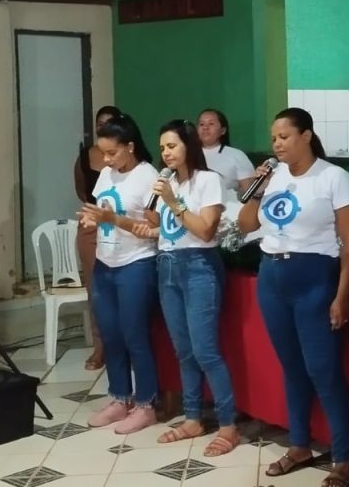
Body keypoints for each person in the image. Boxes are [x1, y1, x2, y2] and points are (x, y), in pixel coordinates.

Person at [237, 107, 349, 487]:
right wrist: (256, 189)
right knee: (291, 366)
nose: (277, 144)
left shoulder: (333, 177)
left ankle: (343, 458)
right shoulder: (272, 177)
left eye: (284, 137)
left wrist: (342, 295)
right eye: (274, 138)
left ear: (306, 136)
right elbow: (246, 225)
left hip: (314, 278)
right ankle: (300, 445)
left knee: (323, 369)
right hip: (272, 276)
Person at [131, 120, 240, 454]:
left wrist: (173, 202)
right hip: (166, 265)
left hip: (198, 267)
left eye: (172, 146)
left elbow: (206, 230)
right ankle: (192, 417)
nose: (166, 153)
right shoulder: (166, 184)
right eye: (162, 147)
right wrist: (152, 211)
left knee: (206, 350)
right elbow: (161, 224)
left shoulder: (208, 181)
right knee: (184, 350)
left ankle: (228, 425)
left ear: (188, 146)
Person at [78, 113, 161, 434]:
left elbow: (154, 228)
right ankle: (119, 397)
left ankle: (145, 404)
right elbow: (98, 210)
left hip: (136, 263)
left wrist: (110, 219)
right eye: (103, 153)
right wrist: (91, 221)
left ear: (130, 146)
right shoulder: (107, 175)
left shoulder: (148, 177)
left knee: (134, 336)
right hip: (106, 262)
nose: (107, 160)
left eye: (112, 153)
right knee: (111, 335)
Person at [72, 105, 120, 370]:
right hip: (91, 227)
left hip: (121, 225)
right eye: (99, 122)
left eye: (109, 122)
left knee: (122, 288)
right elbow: (81, 190)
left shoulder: (129, 156)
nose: (103, 126)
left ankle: (124, 346)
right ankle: (100, 347)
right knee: (96, 290)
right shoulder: (85, 155)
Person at [198, 108, 257, 198]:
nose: (205, 128)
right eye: (201, 124)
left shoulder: (236, 155)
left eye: (211, 124)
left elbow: (249, 192)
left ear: (223, 131)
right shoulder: (187, 155)